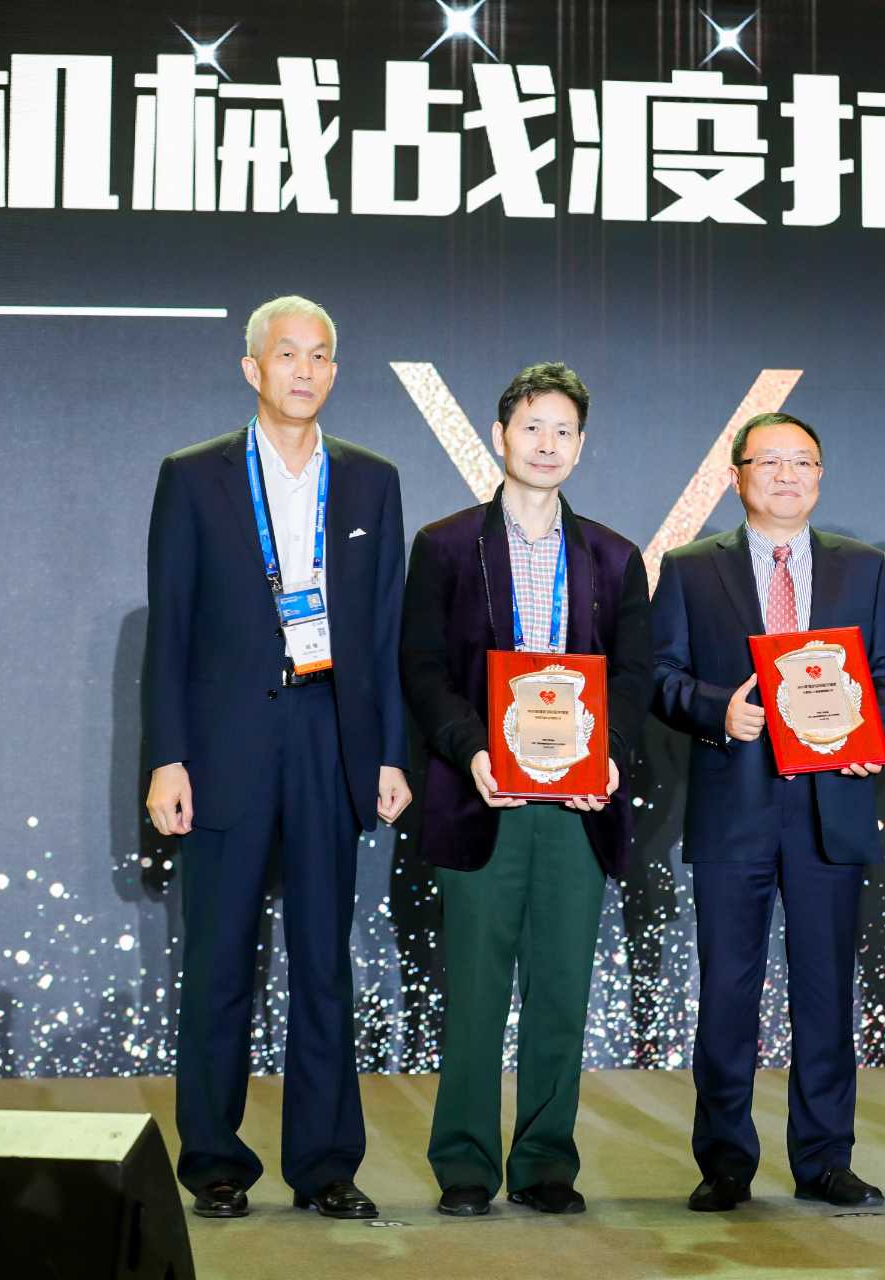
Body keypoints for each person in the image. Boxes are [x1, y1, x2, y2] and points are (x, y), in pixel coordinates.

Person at [144, 295, 410, 1220]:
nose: (304, 370)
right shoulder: (194, 476)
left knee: (324, 963)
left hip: (330, 735)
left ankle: (327, 1165)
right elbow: (171, 628)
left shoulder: (372, 481)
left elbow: (384, 632)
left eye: (320, 355)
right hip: (225, 745)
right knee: (220, 960)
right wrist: (168, 757)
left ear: (335, 371)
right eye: (287, 354)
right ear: (252, 368)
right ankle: (214, 1160)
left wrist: (388, 754)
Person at [401, 362, 652, 1217]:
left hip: (577, 806)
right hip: (482, 796)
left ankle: (546, 1161)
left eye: (563, 431)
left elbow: (633, 675)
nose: (547, 444)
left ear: (582, 445)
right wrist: (472, 749)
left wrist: (608, 753)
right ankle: (465, 1165)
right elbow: (422, 670)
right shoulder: (444, 545)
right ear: (500, 435)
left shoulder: (615, 557)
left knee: (561, 990)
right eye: (532, 427)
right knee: (474, 992)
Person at [649, 411, 885, 1212]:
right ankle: (725, 1161)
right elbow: (658, 674)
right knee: (728, 994)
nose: (788, 475)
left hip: (831, 804)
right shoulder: (692, 569)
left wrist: (878, 733)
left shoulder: (864, 568)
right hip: (734, 806)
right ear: (737, 476)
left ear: (821, 477)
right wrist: (715, 711)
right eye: (770, 462)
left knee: (826, 992)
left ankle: (826, 1158)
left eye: (803, 461)